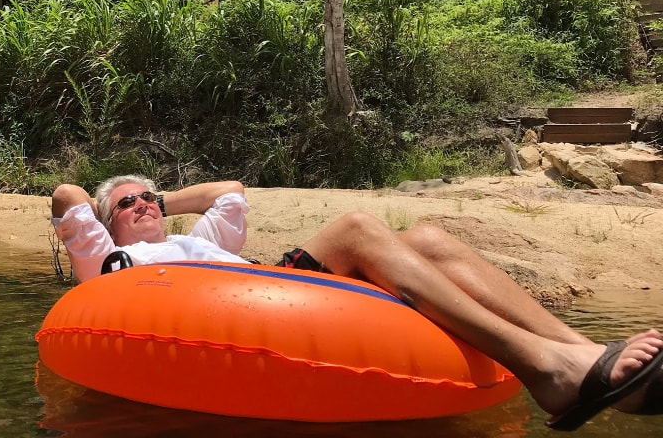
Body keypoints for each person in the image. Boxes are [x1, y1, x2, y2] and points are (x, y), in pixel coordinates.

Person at [51, 175, 663, 432]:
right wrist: (111, 203)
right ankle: (548, 369)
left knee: (427, 239)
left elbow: (230, 193)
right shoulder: (102, 256)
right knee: (357, 227)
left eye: (150, 198)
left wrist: (159, 196)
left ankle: (580, 352)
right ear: (107, 222)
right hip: (201, 304)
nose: (146, 206)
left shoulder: (197, 239)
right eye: (130, 205)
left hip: (273, 291)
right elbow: (66, 192)